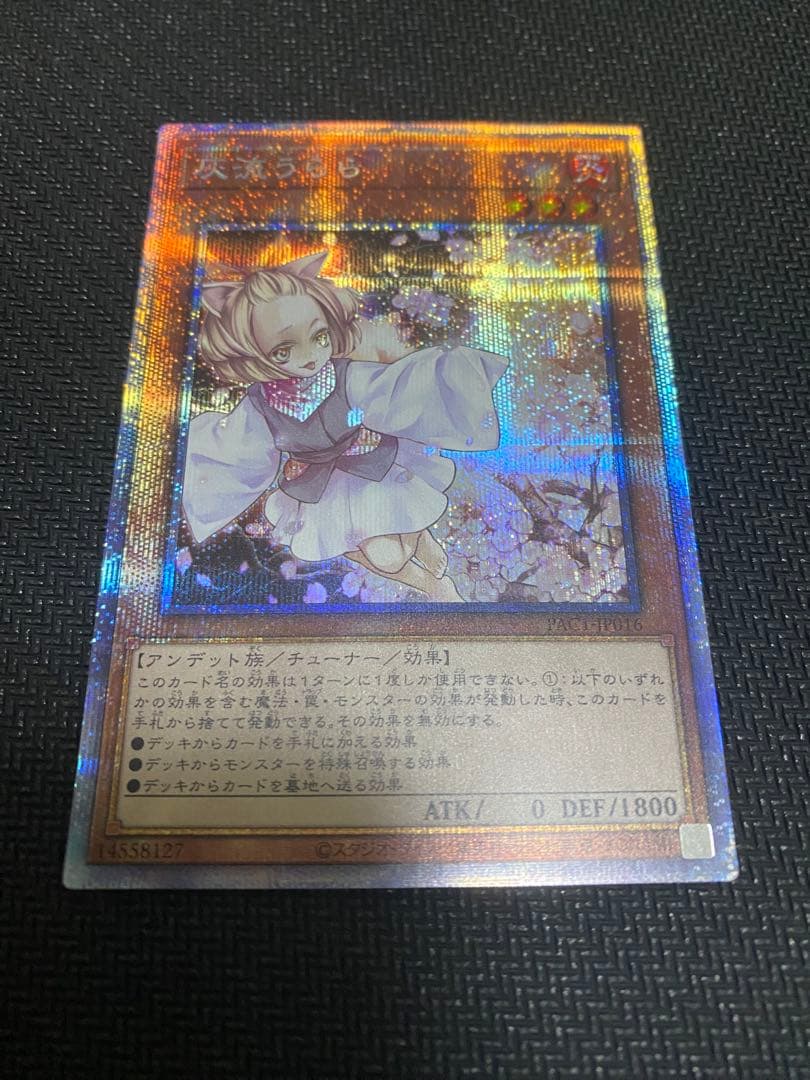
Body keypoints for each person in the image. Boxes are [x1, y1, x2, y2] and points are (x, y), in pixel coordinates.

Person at [182, 250, 509, 602]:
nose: (309, 356)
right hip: (318, 486)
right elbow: (239, 453)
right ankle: (433, 586)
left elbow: (396, 391)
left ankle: (420, 536)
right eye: (283, 351)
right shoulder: (258, 403)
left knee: (390, 553)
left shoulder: (346, 375)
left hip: (372, 467)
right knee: (351, 546)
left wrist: (451, 372)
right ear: (251, 353)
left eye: (319, 337)